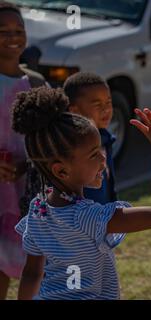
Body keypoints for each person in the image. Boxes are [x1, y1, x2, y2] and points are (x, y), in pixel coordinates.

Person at [12, 87, 151, 300]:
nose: (103, 160)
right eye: (94, 155)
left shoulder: (37, 212)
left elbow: (32, 273)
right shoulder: (89, 217)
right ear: (61, 170)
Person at [0, 1, 45, 299]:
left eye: (19, 30)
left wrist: (28, 165)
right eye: (2, 31)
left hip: (25, 191)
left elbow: (50, 140)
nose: (13, 36)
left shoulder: (37, 83)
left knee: (32, 269)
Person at [63, 72, 117, 204]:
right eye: (97, 105)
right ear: (74, 111)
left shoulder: (106, 138)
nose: (106, 109)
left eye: (108, 102)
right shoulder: (73, 148)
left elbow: (110, 185)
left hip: (106, 217)